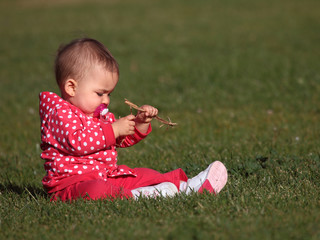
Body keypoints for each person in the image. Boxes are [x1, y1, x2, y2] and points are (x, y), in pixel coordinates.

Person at [39, 38, 228, 201]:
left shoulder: (98, 114)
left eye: (109, 94)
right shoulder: (58, 113)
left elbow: (121, 138)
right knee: (96, 191)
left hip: (106, 175)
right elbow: (78, 142)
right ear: (71, 87)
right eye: (100, 93)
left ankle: (187, 187)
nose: (106, 100)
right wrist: (113, 130)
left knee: (145, 174)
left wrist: (140, 123)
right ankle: (143, 195)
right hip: (71, 186)